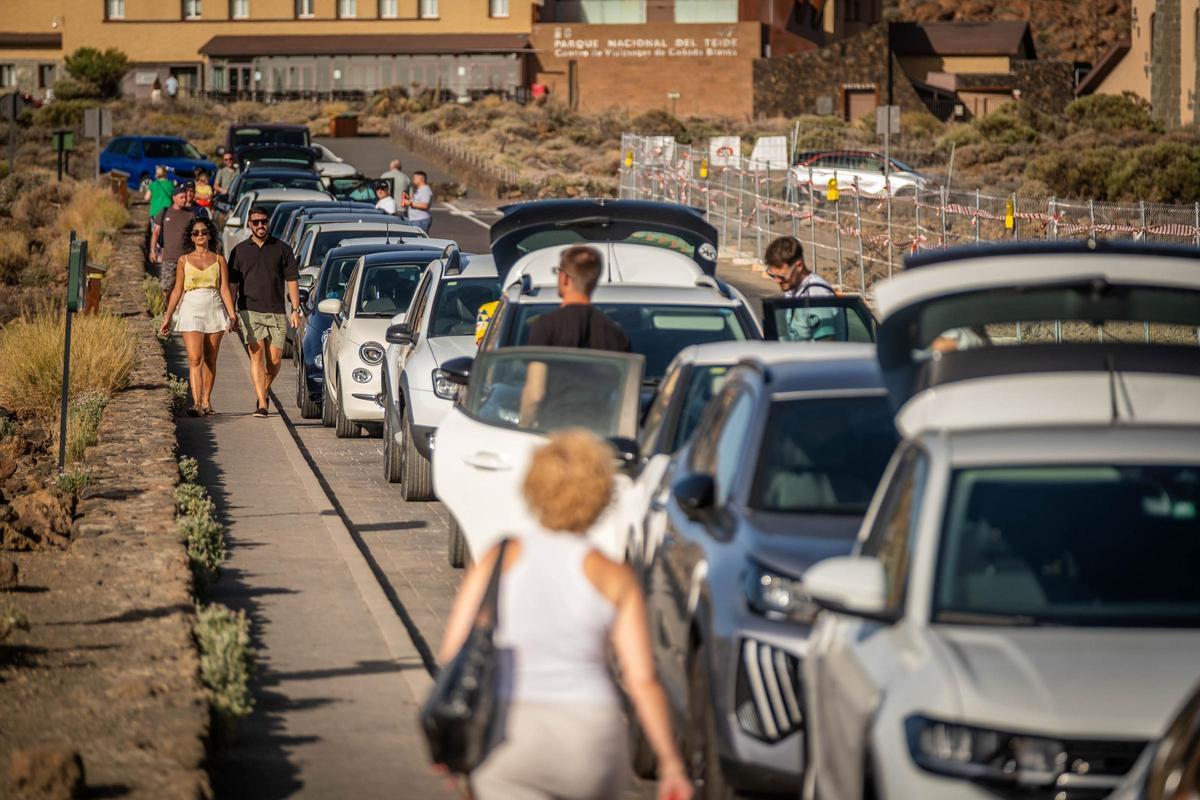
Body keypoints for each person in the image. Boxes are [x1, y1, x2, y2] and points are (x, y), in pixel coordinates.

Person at [438, 430, 692, 800]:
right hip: (589, 734)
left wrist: (452, 740)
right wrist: (671, 764)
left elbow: (453, 652)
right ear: (602, 494)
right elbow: (641, 679)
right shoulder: (614, 576)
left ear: (534, 487)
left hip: (509, 731)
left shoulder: (498, 558)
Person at [519, 245, 630, 427]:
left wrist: (524, 426)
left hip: (553, 429)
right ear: (593, 281)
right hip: (597, 433)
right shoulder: (615, 333)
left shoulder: (546, 326)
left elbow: (535, 393)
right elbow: (623, 396)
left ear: (565, 278)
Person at [159, 217, 238, 416]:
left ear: (210, 235)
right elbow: (177, 290)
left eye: (204, 232)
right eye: (196, 233)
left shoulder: (219, 260)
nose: (200, 235)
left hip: (214, 307)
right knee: (195, 359)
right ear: (191, 238)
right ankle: (195, 403)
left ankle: (206, 401)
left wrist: (232, 315)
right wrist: (168, 316)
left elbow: (224, 289)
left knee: (211, 358)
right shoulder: (183, 260)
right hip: (191, 308)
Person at [228, 205, 300, 419]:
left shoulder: (282, 249)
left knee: (275, 361)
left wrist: (295, 309)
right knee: (256, 355)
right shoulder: (239, 250)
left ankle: (264, 389)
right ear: (249, 224)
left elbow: (292, 280)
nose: (260, 225)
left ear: (268, 223)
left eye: (263, 221)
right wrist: (231, 312)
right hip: (249, 311)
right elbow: (232, 284)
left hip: (276, 311)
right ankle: (262, 403)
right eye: (256, 222)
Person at [150, 183, 200, 296]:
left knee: (185, 290)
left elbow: (196, 235)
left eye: (185, 197)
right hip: (169, 258)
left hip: (186, 259)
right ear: (174, 198)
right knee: (166, 288)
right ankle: (167, 307)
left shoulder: (190, 214)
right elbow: (156, 232)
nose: (184, 200)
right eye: (181, 197)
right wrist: (153, 251)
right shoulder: (164, 212)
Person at [763, 235, 834, 298]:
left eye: (782, 277)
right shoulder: (792, 287)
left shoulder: (817, 292)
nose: (776, 281)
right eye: (773, 276)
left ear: (799, 266)